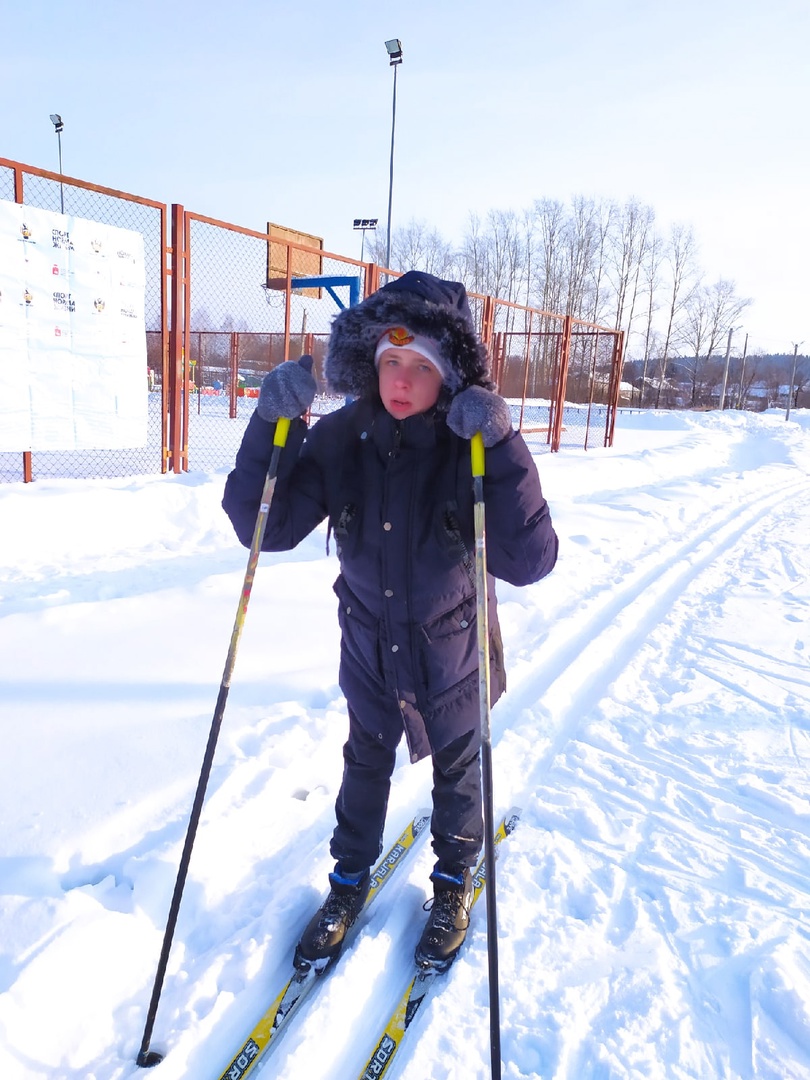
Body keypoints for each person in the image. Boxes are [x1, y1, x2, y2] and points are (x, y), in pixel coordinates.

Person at [222, 271, 558, 972]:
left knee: (459, 774)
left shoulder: (470, 446)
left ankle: (452, 885)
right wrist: (270, 427)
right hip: (371, 649)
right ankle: (347, 885)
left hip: (456, 653)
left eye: (422, 365)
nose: (401, 380)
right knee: (364, 765)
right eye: (389, 361)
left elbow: (531, 560)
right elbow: (267, 528)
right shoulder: (344, 439)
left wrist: (502, 449)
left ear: (451, 373)